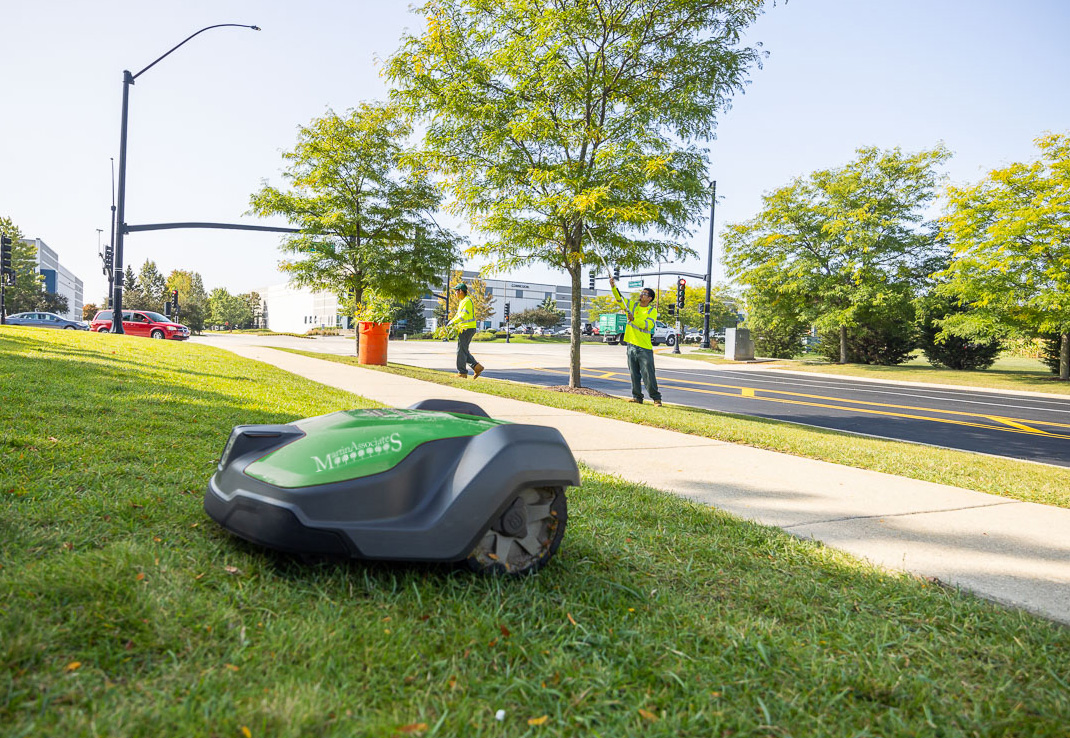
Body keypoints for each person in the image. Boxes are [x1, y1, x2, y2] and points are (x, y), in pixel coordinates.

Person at [609, 277, 662, 406]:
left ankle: (656, 399)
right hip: (631, 345)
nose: (641, 295)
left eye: (644, 294)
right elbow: (619, 299)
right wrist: (613, 287)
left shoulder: (651, 311)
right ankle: (637, 397)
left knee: (648, 375)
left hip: (644, 347)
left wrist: (634, 320)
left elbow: (647, 325)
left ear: (649, 298)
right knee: (634, 374)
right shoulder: (632, 305)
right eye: (642, 293)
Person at [447, 283, 484, 379]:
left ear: (461, 291)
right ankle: (477, 367)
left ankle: (462, 373)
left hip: (467, 329)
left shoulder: (466, 301)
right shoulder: (463, 301)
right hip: (466, 328)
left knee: (460, 351)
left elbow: (462, 316)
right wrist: (451, 321)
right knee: (463, 350)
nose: (455, 293)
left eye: (456, 291)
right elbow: (458, 315)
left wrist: (453, 322)